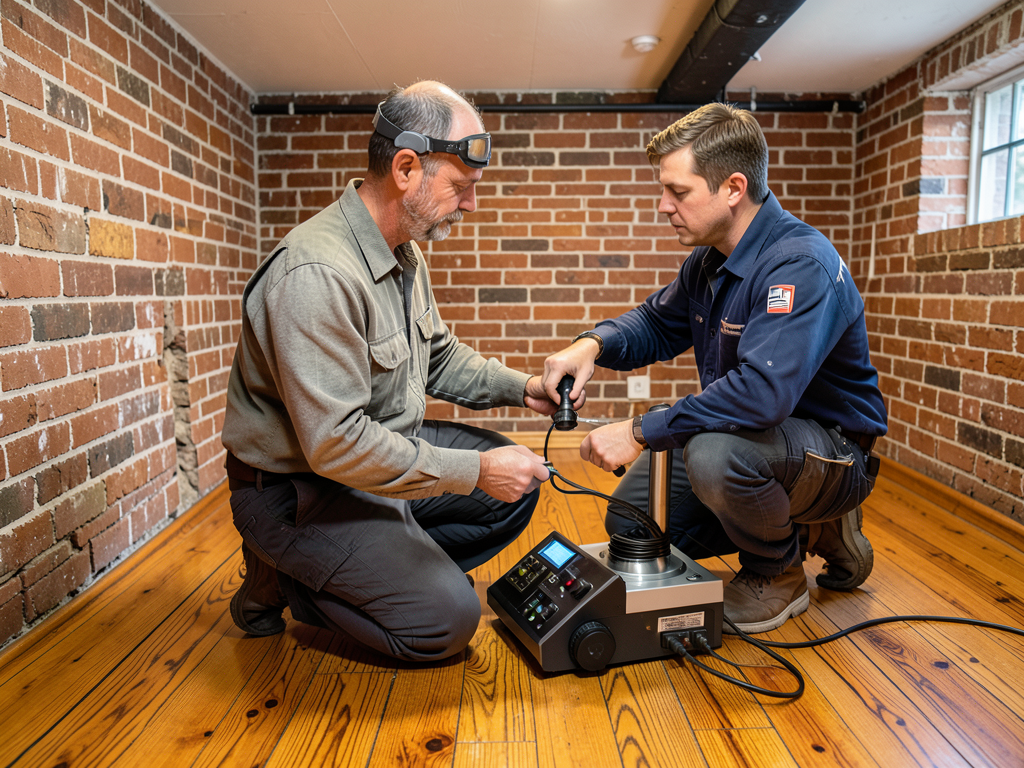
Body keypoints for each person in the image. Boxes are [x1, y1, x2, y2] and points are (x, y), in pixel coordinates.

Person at [221, 81, 562, 661]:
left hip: (375, 457)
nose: (472, 204)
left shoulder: (404, 248)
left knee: (518, 488)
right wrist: (476, 469)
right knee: (448, 622)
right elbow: (336, 445)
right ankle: (290, 577)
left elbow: (440, 356)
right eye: (461, 186)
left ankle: (378, 561)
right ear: (406, 169)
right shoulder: (317, 274)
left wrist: (525, 387)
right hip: (299, 491)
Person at [541, 103, 887, 634]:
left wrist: (639, 430)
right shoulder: (709, 260)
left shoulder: (798, 264)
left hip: (835, 454)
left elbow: (761, 395)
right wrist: (592, 344)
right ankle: (814, 529)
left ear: (732, 187)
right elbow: (655, 325)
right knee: (632, 525)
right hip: (764, 444)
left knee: (712, 454)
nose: (663, 206)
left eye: (678, 192)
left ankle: (778, 573)